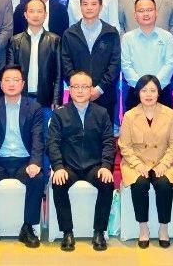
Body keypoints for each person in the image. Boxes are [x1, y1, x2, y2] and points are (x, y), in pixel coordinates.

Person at [0, 67, 48, 248]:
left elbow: (38, 138)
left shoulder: (34, 108)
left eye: (16, 80)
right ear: (1, 84)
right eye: (7, 80)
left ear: (23, 84)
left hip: (24, 161)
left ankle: (28, 228)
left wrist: (35, 162)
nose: (11, 84)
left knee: (37, 178)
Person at [47, 70, 116, 251]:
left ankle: (99, 231)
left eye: (84, 87)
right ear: (69, 89)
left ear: (91, 89)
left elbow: (109, 142)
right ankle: (67, 232)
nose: (79, 90)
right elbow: (52, 143)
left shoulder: (102, 113)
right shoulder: (60, 114)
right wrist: (58, 167)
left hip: (94, 166)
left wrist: (106, 165)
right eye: (75, 86)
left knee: (107, 182)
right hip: (68, 167)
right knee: (58, 182)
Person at [118, 76, 173, 249]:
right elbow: (125, 146)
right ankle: (143, 228)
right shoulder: (130, 116)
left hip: (162, 162)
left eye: (153, 90)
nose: (148, 94)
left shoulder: (169, 114)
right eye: (144, 90)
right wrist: (138, 165)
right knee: (139, 184)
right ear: (138, 93)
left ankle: (163, 228)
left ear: (158, 93)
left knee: (163, 184)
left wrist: (164, 164)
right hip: (136, 163)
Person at [60, 0, 122, 116]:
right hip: (77, 96)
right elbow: (66, 63)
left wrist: (99, 89)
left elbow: (115, 64)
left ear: (101, 7)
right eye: (85, 4)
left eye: (93, 4)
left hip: (105, 95)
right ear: (80, 7)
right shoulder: (69, 34)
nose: (89, 7)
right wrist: (80, 87)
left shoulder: (111, 33)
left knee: (104, 128)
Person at [7, 0, 64, 109]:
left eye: (39, 11)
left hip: (46, 100)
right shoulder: (15, 41)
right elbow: (10, 73)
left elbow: (59, 74)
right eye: (32, 11)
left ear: (45, 15)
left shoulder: (55, 40)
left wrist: (56, 99)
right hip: (20, 98)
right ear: (25, 15)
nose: (35, 15)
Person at [120, 0, 173, 108]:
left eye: (149, 10)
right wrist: (142, 88)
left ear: (156, 13)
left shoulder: (167, 37)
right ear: (135, 15)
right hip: (135, 92)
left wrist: (154, 88)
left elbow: (169, 64)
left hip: (162, 91)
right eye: (141, 11)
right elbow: (126, 65)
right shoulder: (127, 38)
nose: (146, 14)